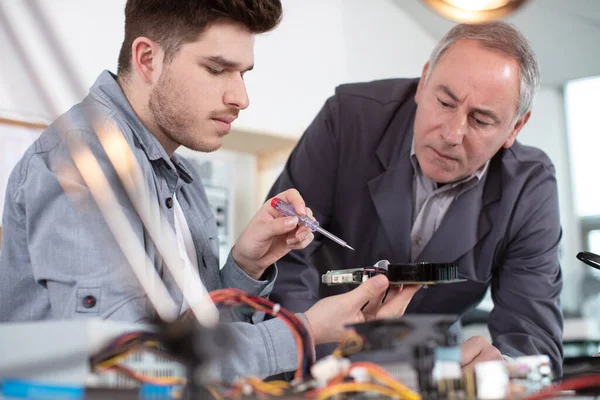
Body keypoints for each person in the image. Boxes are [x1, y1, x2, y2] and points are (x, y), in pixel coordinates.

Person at [0, 0, 421, 382]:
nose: (241, 97)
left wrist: (245, 266)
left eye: (243, 74)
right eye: (217, 69)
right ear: (147, 58)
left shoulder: (182, 177)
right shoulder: (81, 163)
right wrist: (300, 332)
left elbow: (197, 343)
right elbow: (123, 363)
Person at [267, 21, 564, 376]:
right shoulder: (349, 118)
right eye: (444, 102)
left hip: (437, 366)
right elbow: (283, 255)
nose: (452, 135)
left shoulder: (530, 185)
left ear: (515, 128)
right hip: (321, 343)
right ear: (423, 82)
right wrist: (312, 356)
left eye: (481, 120)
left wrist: (503, 370)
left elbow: (532, 333)